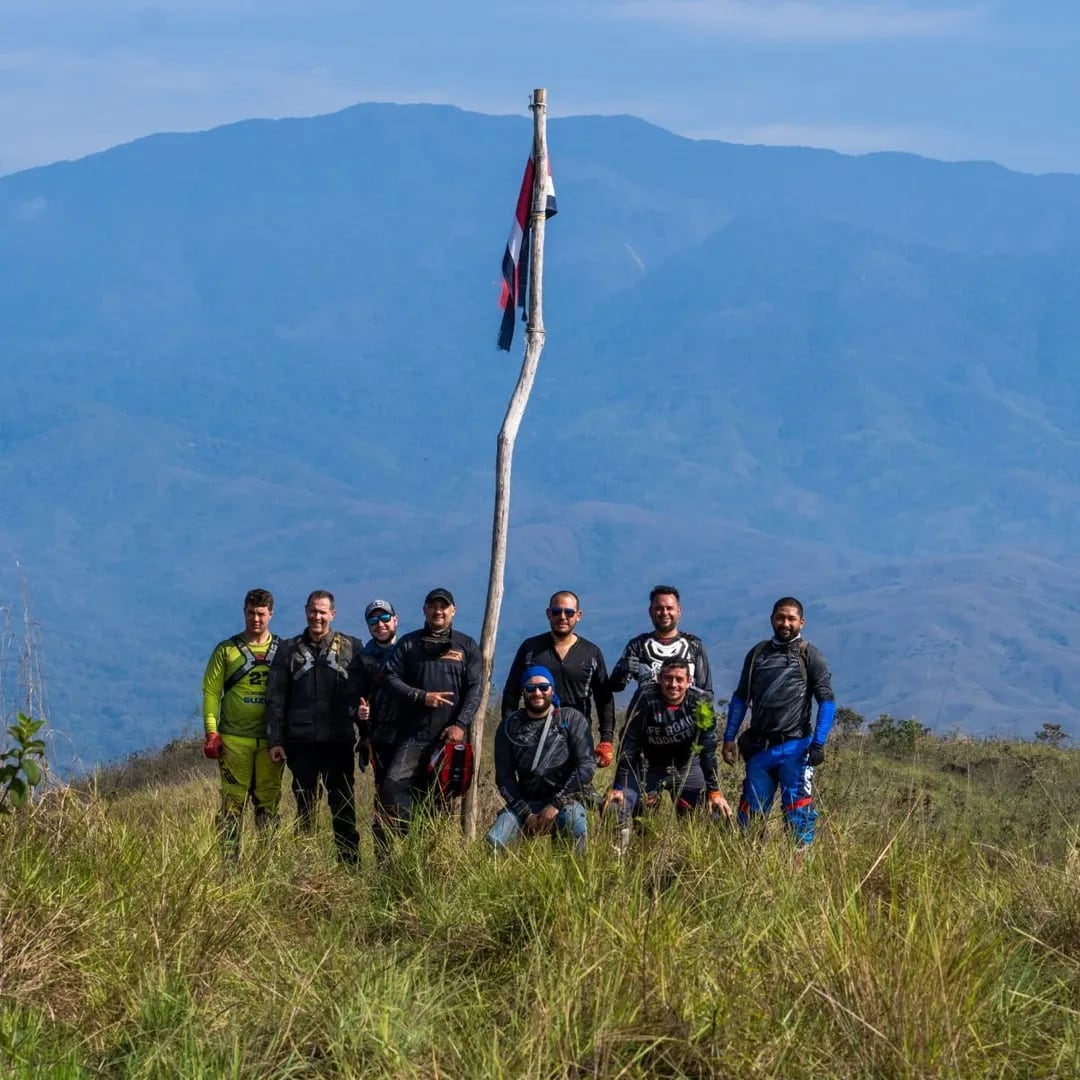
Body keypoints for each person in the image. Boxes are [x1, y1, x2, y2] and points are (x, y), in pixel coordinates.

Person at [721, 596, 835, 850]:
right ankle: (747, 869)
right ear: (772, 619)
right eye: (781, 617)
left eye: (791, 619)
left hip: (795, 749)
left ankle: (798, 873)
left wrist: (818, 743)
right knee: (750, 815)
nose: (786, 623)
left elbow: (826, 701)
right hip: (760, 749)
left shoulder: (810, 655)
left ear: (801, 622)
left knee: (798, 814)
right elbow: (741, 697)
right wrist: (729, 737)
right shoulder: (758, 654)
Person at [265, 590, 368, 864]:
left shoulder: (352, 647)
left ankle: (349, 865)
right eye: (313, 610)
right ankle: (307, 866)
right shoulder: (287, 650)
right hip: (300, 743)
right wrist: (275, 740)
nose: (317, 616)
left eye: (322, 611)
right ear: (305, 611)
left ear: (332, 614)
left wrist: (367, 737)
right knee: (304, 807)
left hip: (339, 741)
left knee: (343, 806)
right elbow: (275, 699)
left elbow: (364, 696)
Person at [381, 588, 482, 839]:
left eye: (444, 607)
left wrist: (460, 725)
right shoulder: (408, 643)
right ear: (424, 610)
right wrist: (420, 696)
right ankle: (415, 831)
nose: (438, 611)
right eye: (433, 606)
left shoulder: (466, 645)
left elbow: (475, 689)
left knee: (443, 798)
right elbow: (390, 678)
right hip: (413, 735)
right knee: (393, 785)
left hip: (450, 739)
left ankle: (437, 852)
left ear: (453, 611)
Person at [604, 657, 732, 851]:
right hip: (648, 767)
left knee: (715, 813)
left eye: (679, 680)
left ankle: (701, 858)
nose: (673, 684)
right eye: (668, 678)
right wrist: (618, 786)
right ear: (659, 678)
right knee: (615, 808)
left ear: (689, 681)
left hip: (687, 766)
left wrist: (714, 791)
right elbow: (629, 743)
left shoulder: (700, 701)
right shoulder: (645, 697)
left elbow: (708, 748)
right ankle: (621, 859)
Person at [201, 587, 283, 860]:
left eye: (261, 614)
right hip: (234, 741)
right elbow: (212, 692)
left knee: (268, 803)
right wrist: (212, 733)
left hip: (270, 743)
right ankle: (229, 864)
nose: (255, 619)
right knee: (233, 803)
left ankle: (267, 863)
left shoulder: (283, 650)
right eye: (251, 613)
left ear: (271, 614)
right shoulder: (226, 650)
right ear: (244, 613)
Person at [500, 590, 616, 767]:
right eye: (557, 611)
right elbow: (511, 691)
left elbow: (604, 699)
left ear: (578, 616)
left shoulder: (591, 653)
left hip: (578, 735)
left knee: (577, 787)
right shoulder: (530, 649)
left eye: (569, 612)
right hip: (534, 734)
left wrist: (606, 739)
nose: (562, 617)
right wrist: (510, 728)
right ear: (548, 614)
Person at [487, 665, 595, 853]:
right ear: (523, 692)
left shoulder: (571, 719)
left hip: (567, 801)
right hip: (526, 802)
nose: (537, 693)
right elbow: (504, 777)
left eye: (543, 687)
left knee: (575, 826)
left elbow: (586, 767)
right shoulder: (509, 727)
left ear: (552, 690)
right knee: (494, 841)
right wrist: (525, 813)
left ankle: (574, 878)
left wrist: (556, 804)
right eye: (530, 688)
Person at [608, 585, 713, 709]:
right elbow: (616, 687)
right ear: (650, 611)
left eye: (670, 608)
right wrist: (621, 670)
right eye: (659, 608)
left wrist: (704, 723)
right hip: (646, 721)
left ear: (679, 611)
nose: (664, 613)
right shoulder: (637, 646)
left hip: (685, 722)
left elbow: (706, 693)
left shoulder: (694, 646)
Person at [357, 598, 399, 851]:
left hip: (412, 737)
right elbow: (354, 696)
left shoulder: (410, 650)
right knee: (383, 798)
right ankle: (384, 861)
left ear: (396, 619)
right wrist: (358, 712)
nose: (380, 624)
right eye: (373, 620)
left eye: (384, 618)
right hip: (380, 739)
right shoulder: (363, 658)